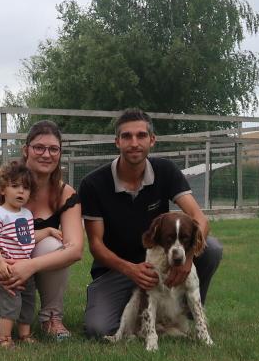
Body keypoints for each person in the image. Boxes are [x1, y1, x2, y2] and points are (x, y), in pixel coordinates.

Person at [79, 108, 223, 339]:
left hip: (161, 260)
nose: (134, 143)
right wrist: (131, 269)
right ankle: (135, 310)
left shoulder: (165, 170)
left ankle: (186, 314)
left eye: (141, 135)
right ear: (117, 142)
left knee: (212, 249)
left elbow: (199, 219)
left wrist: (187, 259)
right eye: (126, 136)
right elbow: (96, 245)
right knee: (98, 329)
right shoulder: (93, 184)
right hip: (116, 270)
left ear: (152, 140)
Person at [0, 119, 84, 340]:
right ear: (26, 150)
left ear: (60, 153)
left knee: (54, 244)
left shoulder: (65, 194)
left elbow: (75, 249)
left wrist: (29, 267)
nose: (46, 154)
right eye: (39, 147)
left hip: (24, 256)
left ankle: (51, 317)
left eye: (53, 149)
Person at [0, 161, 63, 349]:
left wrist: (49, 230)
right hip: (9, 269)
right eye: (15, 186)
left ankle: (24, 334)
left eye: (26, 188)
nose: (21, 192)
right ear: (3, 189)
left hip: (26, 269)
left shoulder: (26, 214)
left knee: (28, 302)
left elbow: (28, 238)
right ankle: (4, 339)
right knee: (12, 302)